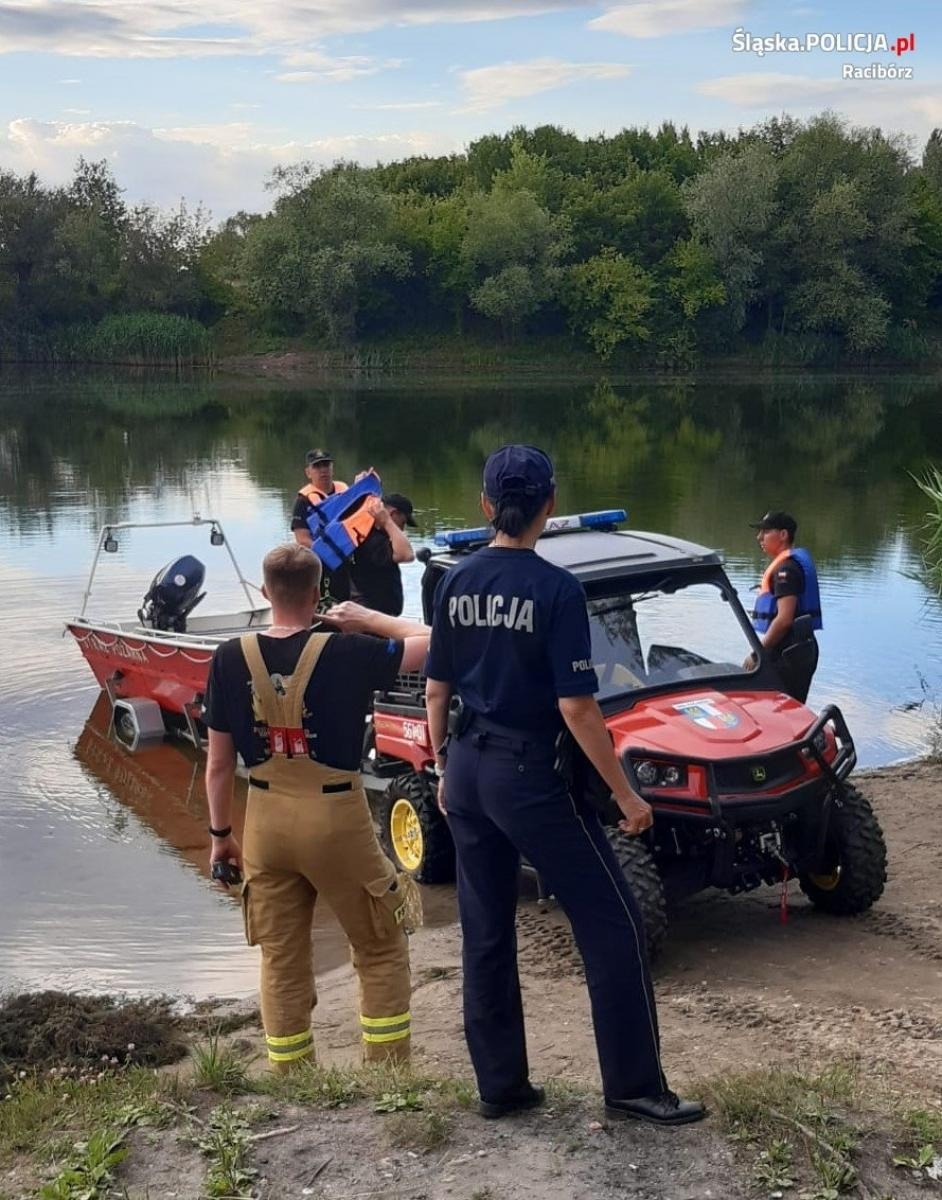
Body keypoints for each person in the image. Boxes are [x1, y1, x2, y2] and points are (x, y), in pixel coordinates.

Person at [423, 444, 704, 1127]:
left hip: (467, 767)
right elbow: (577, 708)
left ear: (486, 506)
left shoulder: (455, 581)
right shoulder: (556, 590)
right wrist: (627, 796)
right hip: (528, 774)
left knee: (486, 929)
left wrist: (441, 767)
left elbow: (436, 690)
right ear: (549, 506)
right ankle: (634, 1087)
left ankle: (501, 1087)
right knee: (613, 921)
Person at [203, 543, 430, 1072]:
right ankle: (388, 1074)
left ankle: (291, 1078)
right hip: (335, 820)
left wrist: (220, 836)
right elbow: (435, 642)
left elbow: (218, 765)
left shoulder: (228, 657)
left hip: (265, 824)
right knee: (379, 943)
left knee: (280, 956)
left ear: (266, 593)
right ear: (316, 595)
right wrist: (368, 618)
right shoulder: (349, 650)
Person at [748, 510, 822, 703]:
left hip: (789, 653)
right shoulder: (788, 565)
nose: (759, 537)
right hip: (800, 647)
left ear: (783, 535)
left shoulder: (785, 570)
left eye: (766, 532)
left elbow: (784, 619)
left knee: (780, 711)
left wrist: (757, 654)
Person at [291, 449, 351, 601]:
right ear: (308, 472)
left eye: (326, 465)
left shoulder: (345, 492)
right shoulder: (303, 501)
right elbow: (302, 539)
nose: (323, 470)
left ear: (332, 468)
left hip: (348, 559)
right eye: (317, 466)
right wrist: (328, 553)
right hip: (321, 563)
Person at [350, 492, 417, 616]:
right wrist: (387, 522)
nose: (402, 529)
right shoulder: (372, 539)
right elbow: (407, 555)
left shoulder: (375, 535)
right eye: (402, 523)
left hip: (377, 613)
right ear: (393, 513)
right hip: (371, 614)